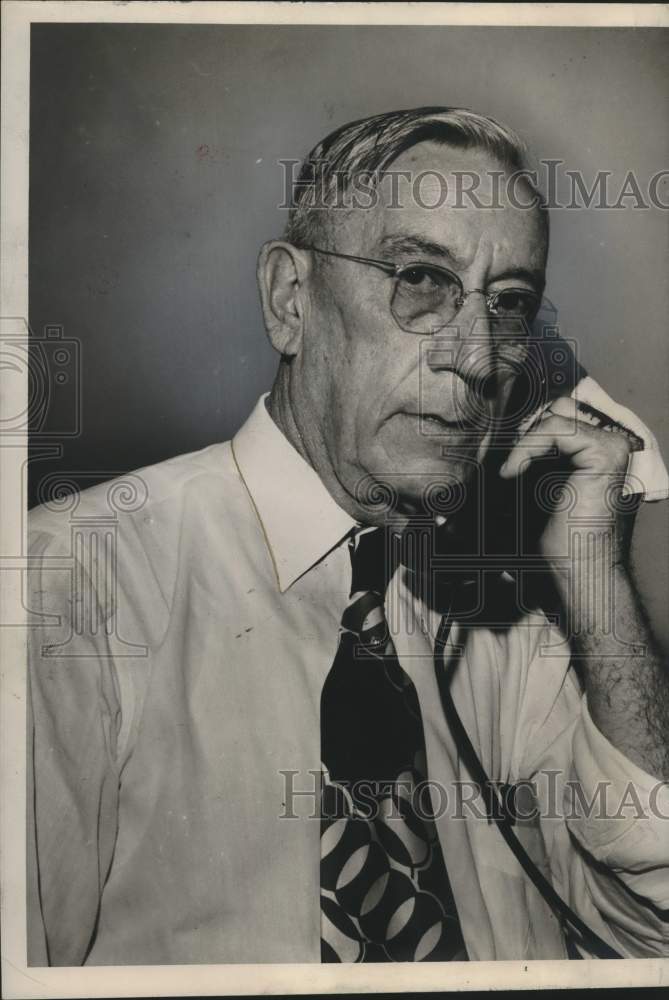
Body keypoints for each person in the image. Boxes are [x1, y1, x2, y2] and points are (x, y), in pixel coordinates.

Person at [27, 107, 669, 966]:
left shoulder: (507, 630)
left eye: (509, 303)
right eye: (421, 280)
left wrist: (595, 579)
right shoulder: (70, 582)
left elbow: (649, 937)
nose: (477, 355)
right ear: (290, 301)